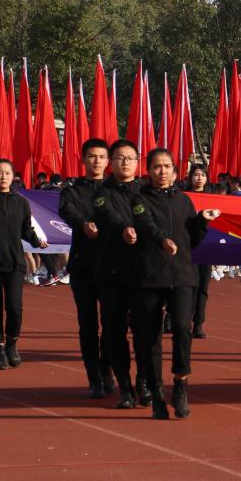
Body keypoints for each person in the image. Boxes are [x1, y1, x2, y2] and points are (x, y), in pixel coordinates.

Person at [130, 148, 218, 419]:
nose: (162, 171)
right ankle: (156, 393)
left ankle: (180, 384)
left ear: (175, 171)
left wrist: (202, 221)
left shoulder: (184, 201)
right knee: (150, 337)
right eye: (157, 166)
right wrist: (162, 241)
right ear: (148, 170)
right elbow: (145, 226)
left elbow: (192, 240)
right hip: (149, 276)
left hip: (181, 275)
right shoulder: (139, 199)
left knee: (182, 328)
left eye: (167, 166)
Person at [93, 140, 152, 408]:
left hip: (144, 272)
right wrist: (125, 229)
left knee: (144, 331)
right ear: (111, 162)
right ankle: (125, 388)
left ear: (138, 163)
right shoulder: (101, 193)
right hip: (112, 272)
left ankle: (143, 382)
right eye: (119, 158)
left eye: (130, 158)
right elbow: (109, 216)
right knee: (114, 331)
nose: (125, 162)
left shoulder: (147, 191)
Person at [0, 159, 47, 370]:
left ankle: (12, 344)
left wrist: (37, 241)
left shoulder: (21, 201)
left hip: (15, 262)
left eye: (7, 173)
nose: (3, 177)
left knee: (15, 308)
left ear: (13, 176)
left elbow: (26, 228)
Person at [58, 138, 113, 397]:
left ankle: (107, 367)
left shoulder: (116, 190)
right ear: (83, 159)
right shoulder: (72, 191)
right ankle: (94, 376)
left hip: (113, 266)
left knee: (112, 323)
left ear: (108, 160)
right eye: (92, 156)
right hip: (83, 266)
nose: (97, 161)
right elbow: (67, 211)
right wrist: (83, 223)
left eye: (102, 157)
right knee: (88, 323)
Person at [184, 163, 213, 339]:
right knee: (188, 287)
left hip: (207, 248)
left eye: (202, 175)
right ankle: (183, 321)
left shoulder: (213, 198)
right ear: (190, 178)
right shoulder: (184, 198)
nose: (199, 178)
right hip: (188, 248)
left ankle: (198, 323)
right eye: (196, 175)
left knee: (203, 288)